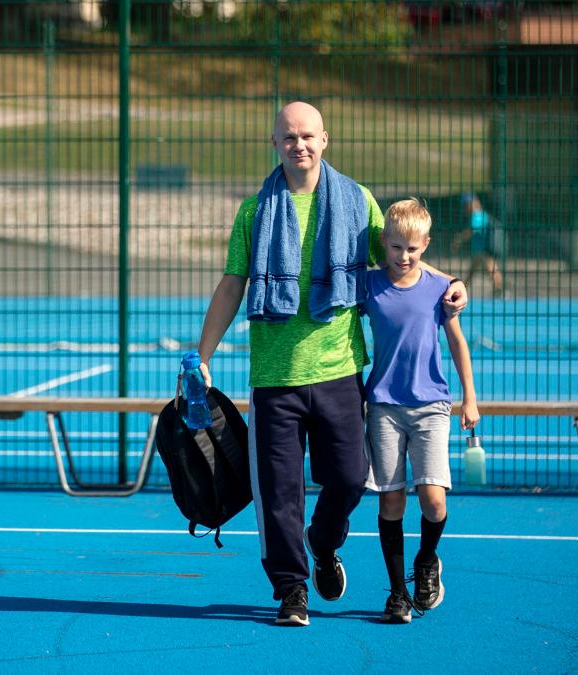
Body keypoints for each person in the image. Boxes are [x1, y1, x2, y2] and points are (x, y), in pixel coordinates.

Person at [194, 101, 468, 627]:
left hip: (341, 370)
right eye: (289, 136)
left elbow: (397, 256)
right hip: (275, 377)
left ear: (325, 141)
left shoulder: (356, 200)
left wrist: (448, 281)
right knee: (278, 492)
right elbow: (233, 284)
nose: (299, 144)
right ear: (274, 143)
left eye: (308, 136)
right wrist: (202, 355)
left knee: (347, 479)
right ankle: (291, 589)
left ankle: (322, 542)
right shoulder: (254, 211)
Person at [363, 198, 480, 624]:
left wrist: (469, 396)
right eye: (396, 247)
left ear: (426, 244)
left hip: (431, 406)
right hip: (384, 408)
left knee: (432, 502)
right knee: (391, 502)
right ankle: (397, 594)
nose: (404, 256)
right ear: (384, 243)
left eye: (412, 248)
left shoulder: (439, 288)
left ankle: (427, 559)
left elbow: (456, 342)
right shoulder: (370, 286)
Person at [454, 193, 504, 295]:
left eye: (466, 205)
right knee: (473, 271)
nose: (465, 208)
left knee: (491, 268)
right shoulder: (480, 215)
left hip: (484, 249)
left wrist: (459, 239)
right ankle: (463, 290)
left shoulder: (477, 215)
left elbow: (472, 230)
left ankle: (499, 290)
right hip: (480, 250)